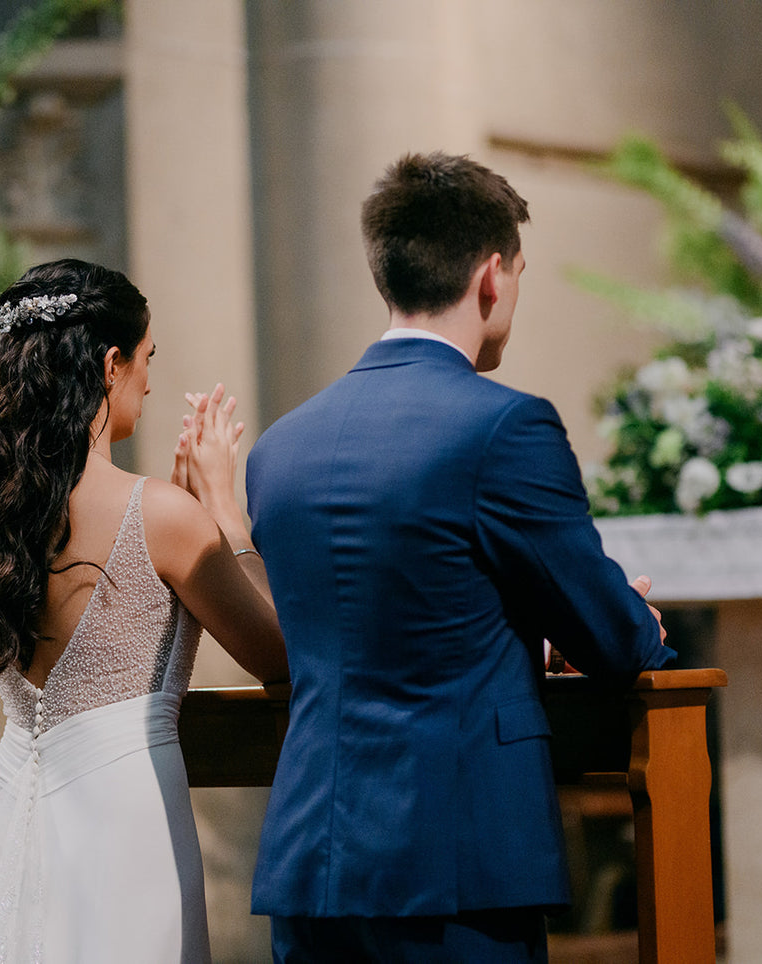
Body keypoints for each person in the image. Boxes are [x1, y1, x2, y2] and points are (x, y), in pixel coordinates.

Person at [245, 152, 675, 962]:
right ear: (490, 276)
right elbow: (615, 642)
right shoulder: (502, 428)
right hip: (453, 862)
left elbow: (396, 617)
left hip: (312, 860)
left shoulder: (280, 449)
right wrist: (635, 622)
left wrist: (526, 641)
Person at [0, 258, 286, 963]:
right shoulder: (163, 517)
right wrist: (224, 510)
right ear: (110, 364)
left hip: (16, 795)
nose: (148, 379)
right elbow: (279, 656)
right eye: (147, 359)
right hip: (126, 817)